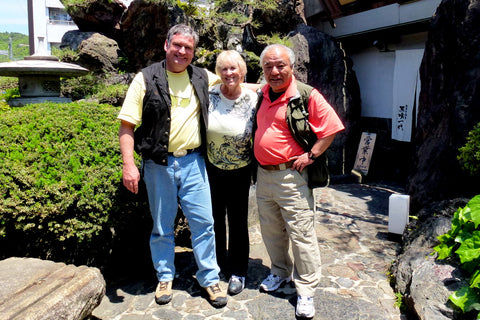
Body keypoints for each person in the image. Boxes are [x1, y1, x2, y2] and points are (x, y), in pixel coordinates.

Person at [118, 24, 227, 308]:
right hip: (158, 165)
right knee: (162, 226)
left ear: (194, 52)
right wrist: (129, 165)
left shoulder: (203, 77)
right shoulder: (145, 78)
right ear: (166, 45)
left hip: (194, 162)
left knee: (204, 223)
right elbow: (127, 125)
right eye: (177, 45)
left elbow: (233, 83)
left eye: (188, 48)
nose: (182, 51)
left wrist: (272, 85)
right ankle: (165, 275)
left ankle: (210, 277)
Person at [254, 44, 344, 318]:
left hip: (292, 176)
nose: (274, 71)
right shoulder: (262, 93)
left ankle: (305, 290)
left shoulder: (306, 95)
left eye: (280, 65)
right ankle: (280, 272)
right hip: (264, 175)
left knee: (301, 234)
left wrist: (311, 155)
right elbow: (243, 85)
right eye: (268, 66)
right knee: (271, 230)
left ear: (292, 66)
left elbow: (331, 127)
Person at [206, 50, 257, 295]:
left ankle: (239, 270)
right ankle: (216, 265)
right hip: (211, 167)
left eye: (233, 68)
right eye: (224, 69)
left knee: (237, 221)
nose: (229, 73)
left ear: (242, 71)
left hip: (240, 169)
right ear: (218, 72)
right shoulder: (209, 95)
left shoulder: (252, 99)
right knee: (213, 219)